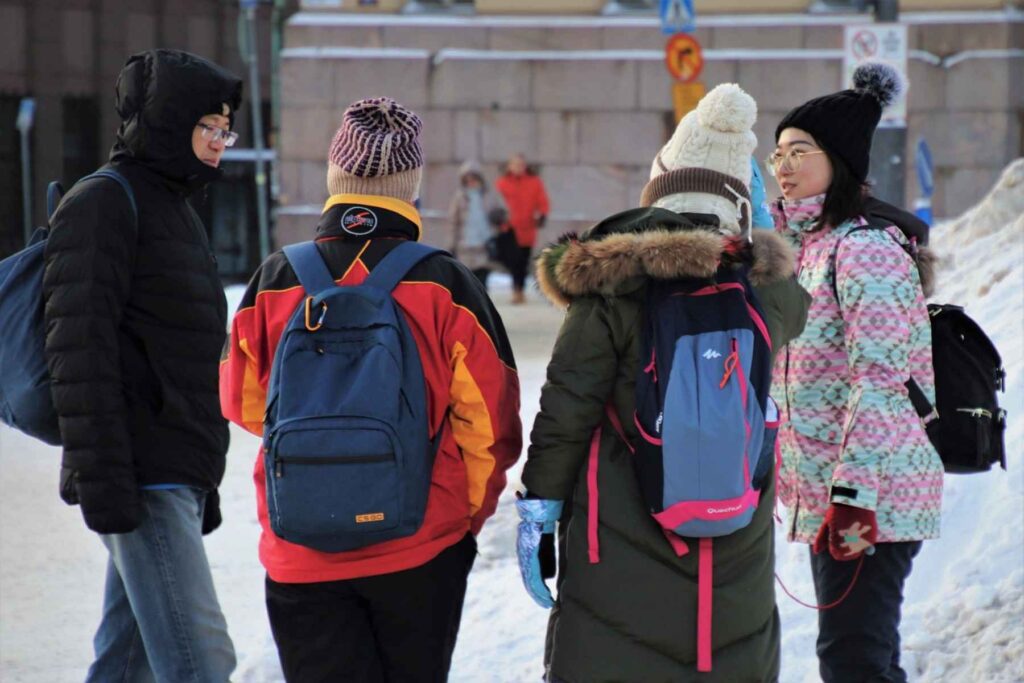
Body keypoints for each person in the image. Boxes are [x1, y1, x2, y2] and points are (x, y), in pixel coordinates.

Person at [220, 96, 522, 682]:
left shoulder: (276, 278)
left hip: (300, 548)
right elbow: (491, 426)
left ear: (336, 177)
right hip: (420, 546)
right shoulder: (445, 282)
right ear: (409, 189)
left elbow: (241, 401)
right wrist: (463, 518)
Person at [518, 84, 810, 682]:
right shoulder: (766, 294)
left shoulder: (611, 288)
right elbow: (795, 297)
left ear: (659, 192)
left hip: (620, 541)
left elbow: (567, 406)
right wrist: (750, 227)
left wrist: (539, 510)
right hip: (735, 543)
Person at [42, 49, 240, 682]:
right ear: (167, 122)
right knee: (203, 661)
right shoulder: (105, 202)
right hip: (140, 471)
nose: (219, 143)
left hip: (173, 465)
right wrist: (106, 481)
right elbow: (79, 350)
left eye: (225, 130)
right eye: (208, 128)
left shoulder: (174, 209)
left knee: (125, 666)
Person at [769, 62, 942, 683]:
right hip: (837, 495)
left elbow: (881, 382)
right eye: (778, 152)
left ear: (838, 159)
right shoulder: (811, 248)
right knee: (857, 656)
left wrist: (853, 499)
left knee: (854, 662)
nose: (782, 165)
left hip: (873, 495)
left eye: (800, 151)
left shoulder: (863, 248)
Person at [494, 153, 549, 304]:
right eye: (515, 164)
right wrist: (497, 218)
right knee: (514, 260)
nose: (518, 168)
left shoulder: (534, 182)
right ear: (509, 166)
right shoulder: (502, 183)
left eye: (521, 165)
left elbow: (542, 201)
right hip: (508, 228)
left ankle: (520, 290)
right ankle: (516, 290)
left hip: (527, 229)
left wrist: (542, 215)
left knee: (523, 261)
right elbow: (495, 202)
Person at [448, 160, 507, 288]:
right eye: (467, 180)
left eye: (473, 179)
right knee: (467, 283)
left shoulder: (490, 195)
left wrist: (498, 216)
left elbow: (503, 211)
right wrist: (451, 244)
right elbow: (453, 222)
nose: (471, 183)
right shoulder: (459, 197)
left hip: (485, 244)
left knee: (482, 282)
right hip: (465, 245)